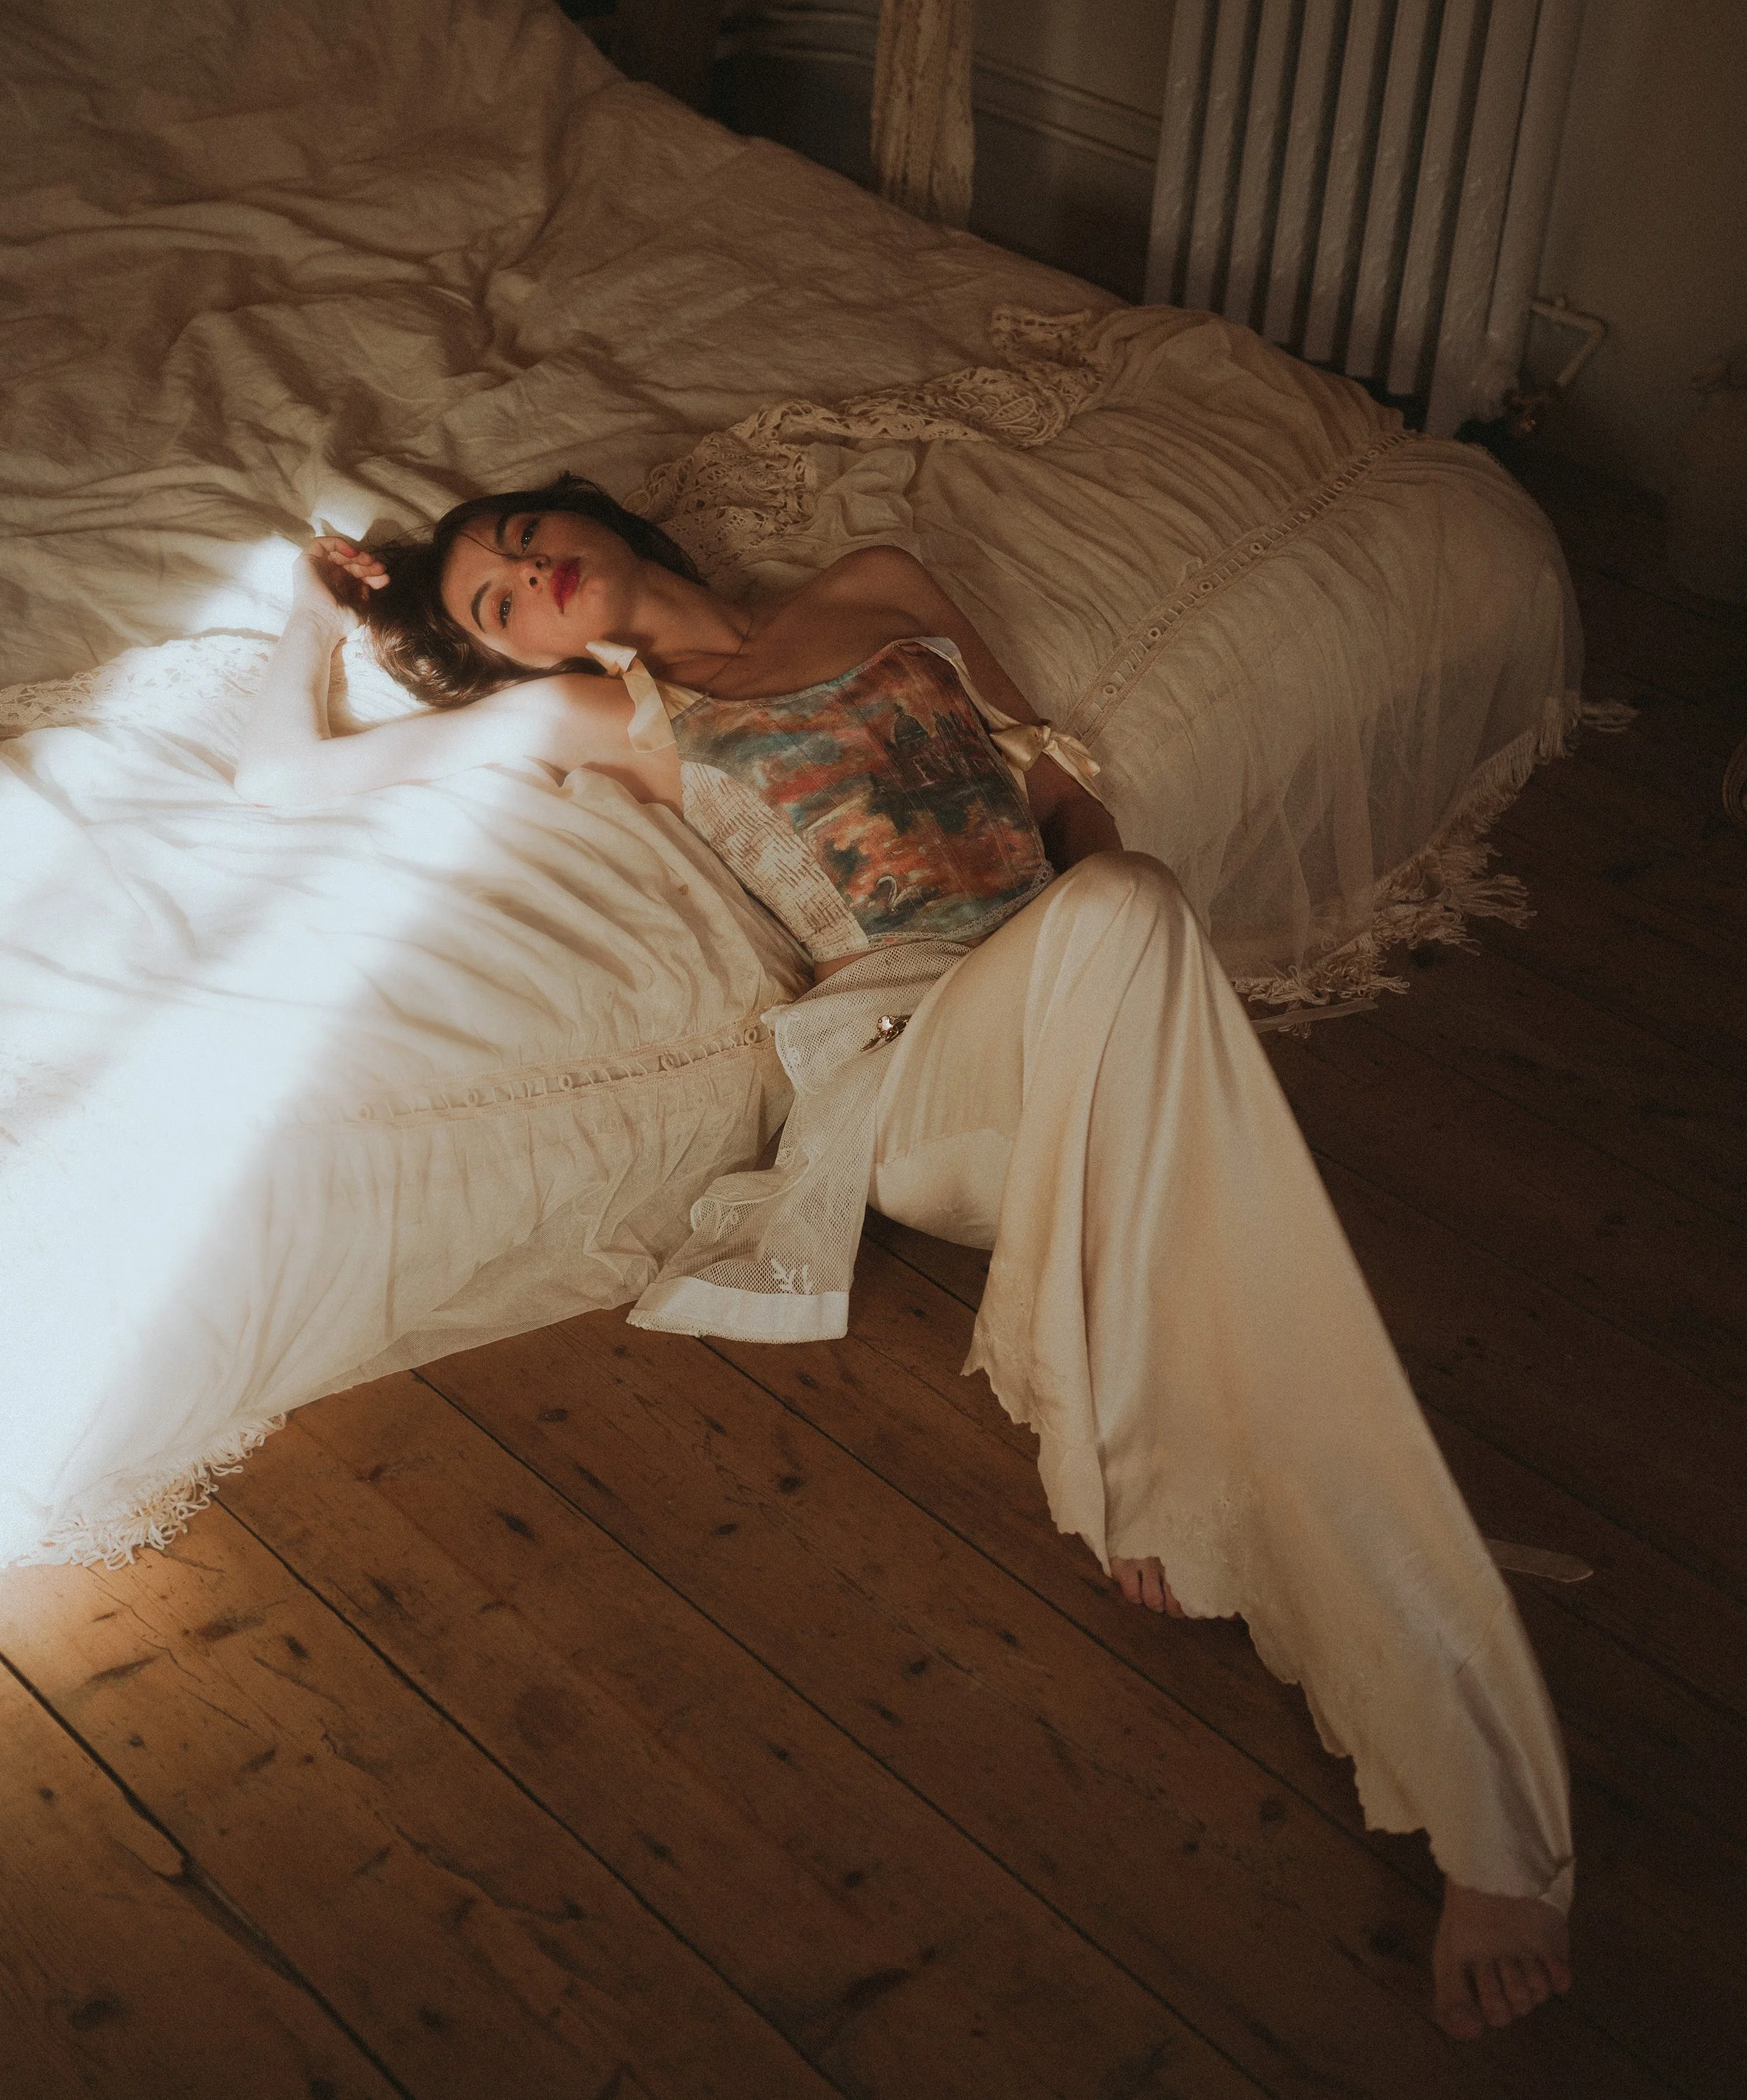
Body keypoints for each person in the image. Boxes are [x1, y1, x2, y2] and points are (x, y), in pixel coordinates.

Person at [237, 473, 1575, 2040]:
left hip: (1082, 1018)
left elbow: (1061, 797)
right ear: (515, 662)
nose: (528, 582)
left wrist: (1095, 964)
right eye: (490, 606)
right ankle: (1217, 1518)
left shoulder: (880, 583)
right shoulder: (603, 721)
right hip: (914, 1076)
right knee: (1136, 921)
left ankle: (1137, 1444)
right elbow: (279, 780)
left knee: (1129, 909)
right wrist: (305, 608)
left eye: (526, 543)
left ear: (597, 524)